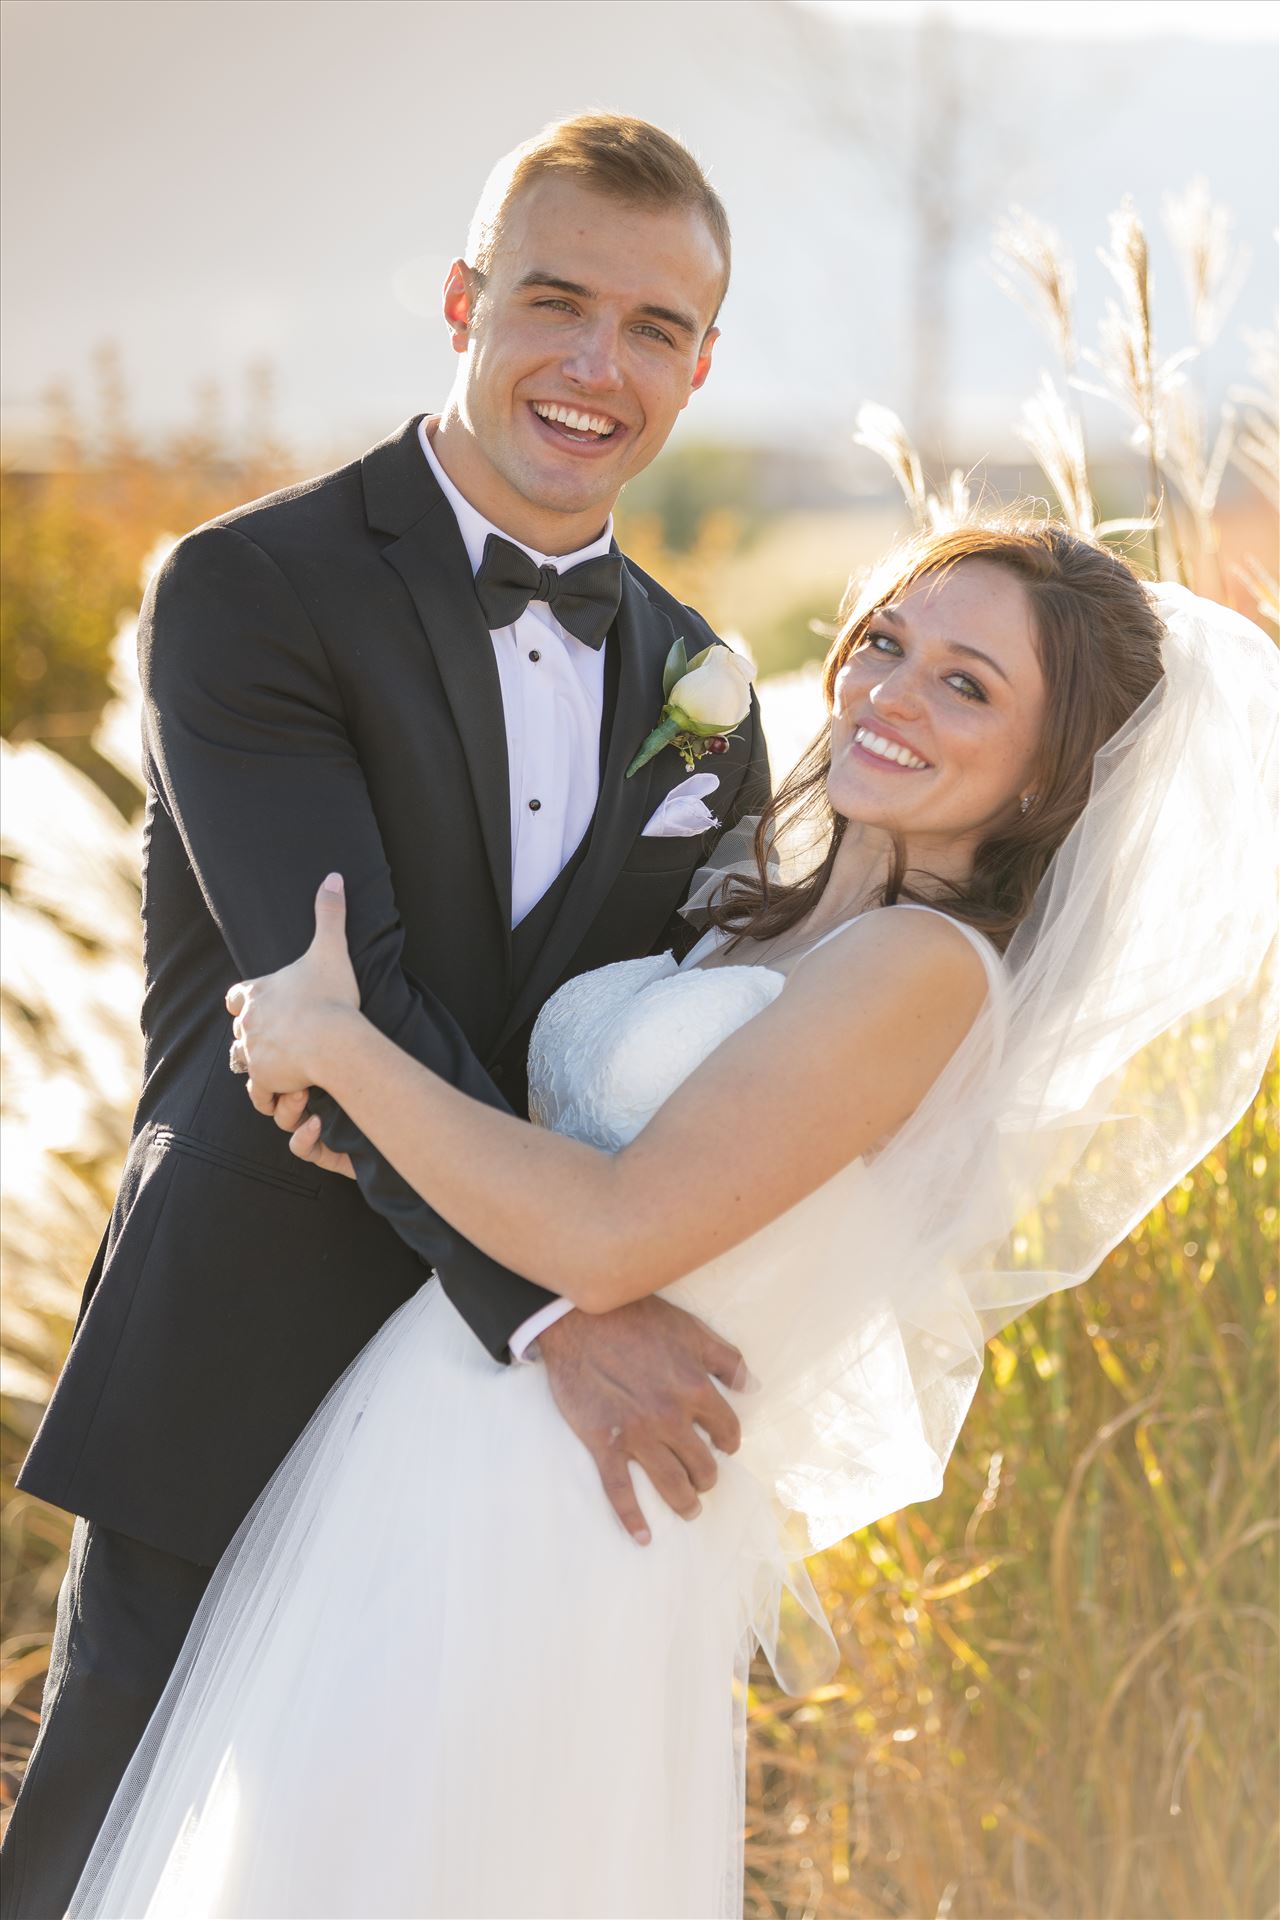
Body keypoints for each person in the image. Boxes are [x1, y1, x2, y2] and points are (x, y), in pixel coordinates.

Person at [68, 524, 1278, 1917]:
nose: (891, 693)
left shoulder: (924, 972)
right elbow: (579, 1170)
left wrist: (343, 1051)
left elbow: (611, 1235)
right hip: (440, 1438)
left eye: (969, 686)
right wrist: (367, 1143)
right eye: (887, 640)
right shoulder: (765, 914)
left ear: (1056, 771)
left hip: (562, 1508)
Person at [1, 114, 772, 1920]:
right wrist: (559, 1314)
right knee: (107, 1847)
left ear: (701, 363)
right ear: (462, 301)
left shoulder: (703, 687)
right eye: (556, 302)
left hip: (501, 1450)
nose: (599, 367)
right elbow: (333, 1000)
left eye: (655, 328)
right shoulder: (249, 589)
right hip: (259, 1334)